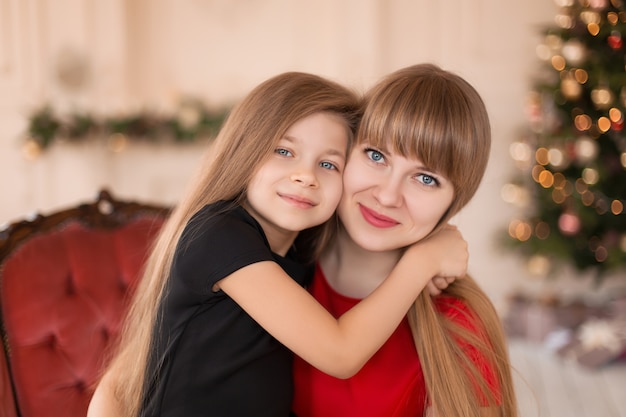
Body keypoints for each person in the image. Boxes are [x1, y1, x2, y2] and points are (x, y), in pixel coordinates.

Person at [87, 71, 470, 417]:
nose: (305, 176)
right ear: (245, 153)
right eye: (284, 152)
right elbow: (340, 353)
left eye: (329, 164)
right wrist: (423, 261)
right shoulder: (219, 235)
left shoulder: (301, 254)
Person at [292, 64, 518, 417]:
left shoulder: (457, 319)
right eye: (376, 156)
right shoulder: (278, 261)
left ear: (453, 203)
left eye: (426, 178)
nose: (387, 196)